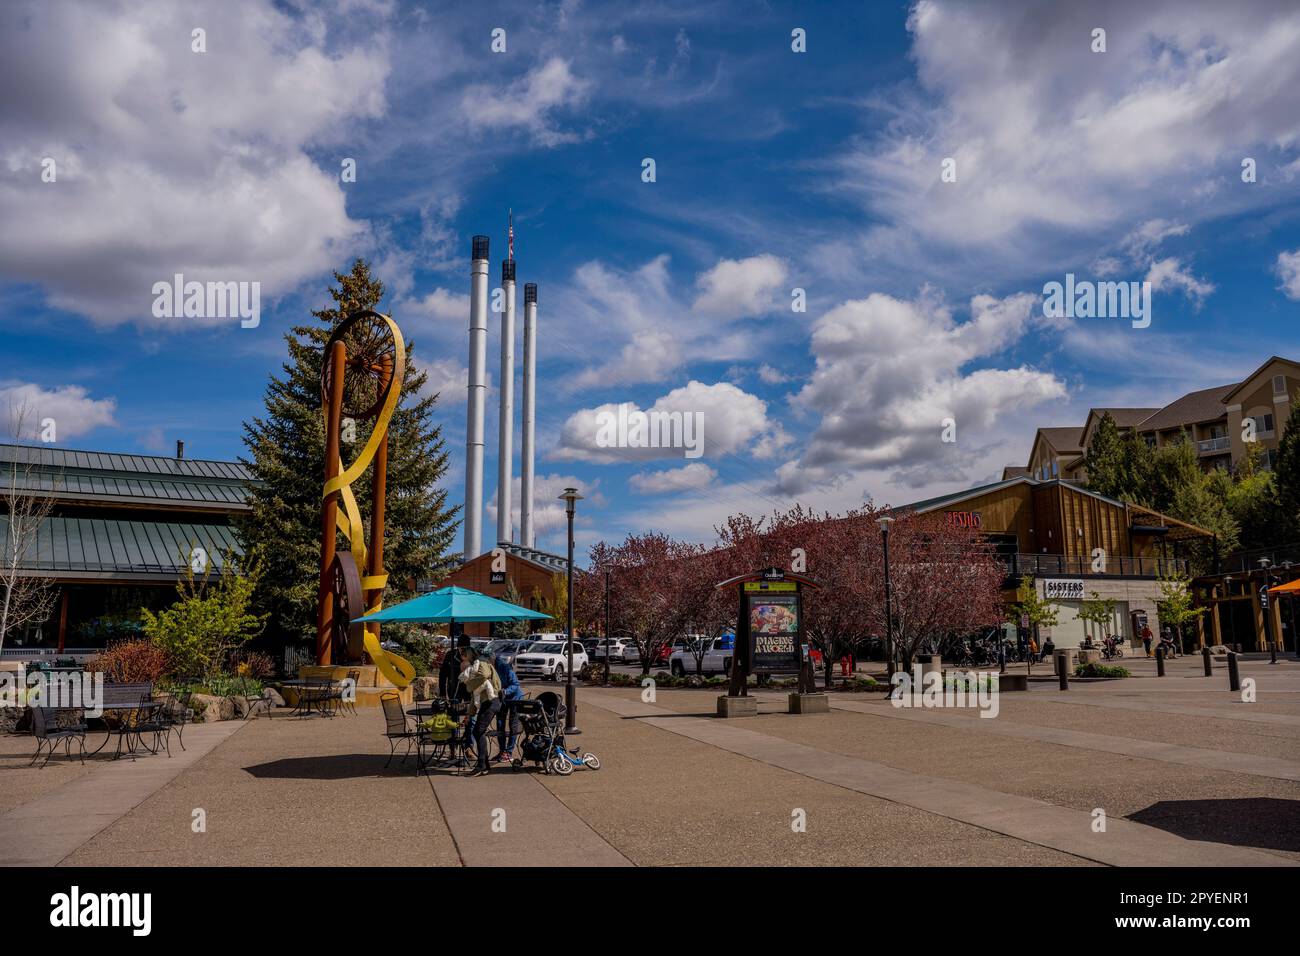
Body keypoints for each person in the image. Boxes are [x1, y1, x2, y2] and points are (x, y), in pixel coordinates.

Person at [458, 648, 502, 776]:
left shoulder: (481, 662)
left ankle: (482, 765)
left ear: (469, 655)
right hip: (488, 702)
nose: (462, 658)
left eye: (463, 655)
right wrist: (469, 715)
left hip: (492, 701)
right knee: (478, 731)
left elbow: (484, 675)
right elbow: (474, 697)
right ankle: (485, 765)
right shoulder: (475, 668)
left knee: (478, 731)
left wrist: (469, 685)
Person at [493, 651, 524, 763]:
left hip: (515, 698)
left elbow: (515, 684)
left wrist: (505, 691)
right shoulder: (490, 669)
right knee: (500, 724)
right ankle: (502, 751)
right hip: (502, 699)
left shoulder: (504, 667)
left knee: (513, 724)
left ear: (492, 659)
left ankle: (509, 752)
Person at [439, 634, 471, 699]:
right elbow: (443, 674)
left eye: (466, 648)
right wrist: (442, 692)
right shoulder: (450, 655)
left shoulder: (473, 656)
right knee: (454, 707)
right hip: (453, 688)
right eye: (462, 648)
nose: (463, 651)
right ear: (458, 647)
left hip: (469, 689)